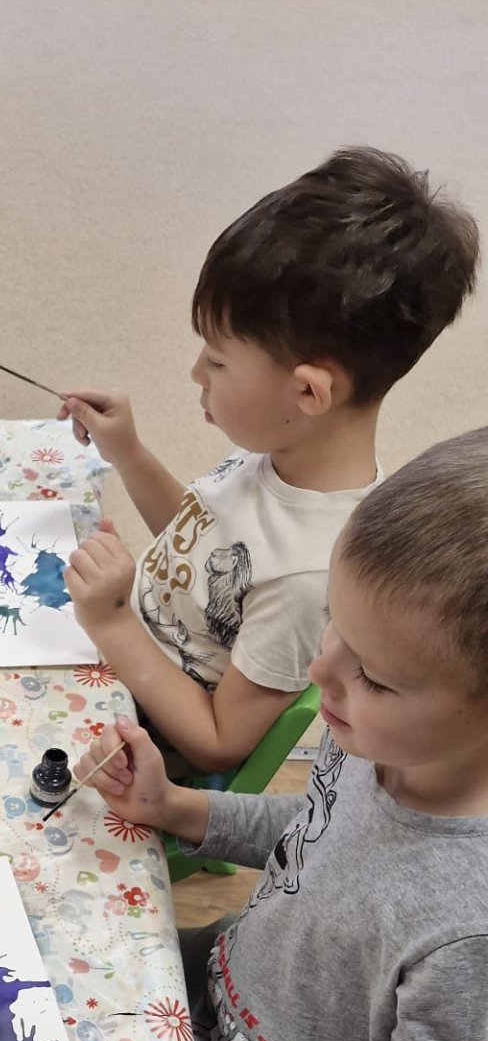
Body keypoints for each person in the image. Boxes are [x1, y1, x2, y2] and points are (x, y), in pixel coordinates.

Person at [74, 431, 488, 1041]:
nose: (319, 668)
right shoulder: (374, 737)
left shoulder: (469, 931)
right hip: (217, 983)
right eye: (335, 625)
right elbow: (317, 830)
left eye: (374, 676)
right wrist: (180, 808)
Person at [60, 148, 478, 775]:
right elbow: (200, 541)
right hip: (119, 635)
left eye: (217, 361)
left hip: (143, 733)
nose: (196, 373)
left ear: (308, 392)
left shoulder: (310, 575)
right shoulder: (282, 449)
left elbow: (217, 744)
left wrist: (114, 622)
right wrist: (129, 454)